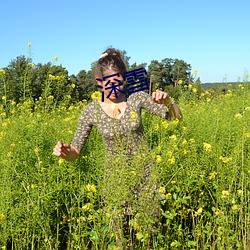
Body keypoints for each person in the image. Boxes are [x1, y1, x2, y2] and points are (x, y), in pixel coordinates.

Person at [53, 48, 182, 247]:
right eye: (110, 83)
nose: (116, 88)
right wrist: (65, 152)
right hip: (115, 182)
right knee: (121, 238)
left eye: (119, 82)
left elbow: (175, 118)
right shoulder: (91, 111)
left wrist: (169, 101)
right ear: (99, 82)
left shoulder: (136, 98)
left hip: (146, 177)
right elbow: (75, 151)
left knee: (150, 236)